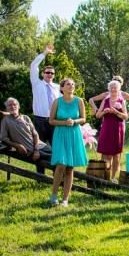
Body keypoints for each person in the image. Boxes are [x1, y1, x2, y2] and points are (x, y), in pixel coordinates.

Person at [48, 77, 88, 207]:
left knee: (70, 167)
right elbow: (51, 120)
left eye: (72, 84)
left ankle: (65, 199)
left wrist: (74, 121)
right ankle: (54, 196)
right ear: (62, 88)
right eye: (68, 84)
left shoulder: (79, 101)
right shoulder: (57, 102)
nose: (71, 86)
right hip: (60, 133)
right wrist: (64, 123)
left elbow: (83, 118)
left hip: (74, 134)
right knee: (60, 164)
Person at [95, 79, 129, 181]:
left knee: (116, 153)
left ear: (119, 90)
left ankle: (114, 177)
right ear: (109, 89)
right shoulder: (105, 101)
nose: (113, 89)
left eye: (115, 88)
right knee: (105, 152)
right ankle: (105, 176)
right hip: (106, 128)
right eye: (111, 88)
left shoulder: (121, 101)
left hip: (117, 128)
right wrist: (104, 112)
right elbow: (97, 115)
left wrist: (115, 112)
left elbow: (125, 116)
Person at [0, 97, 52, 172]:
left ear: (19, 106)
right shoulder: (6, 121)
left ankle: (61, 178)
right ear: (6, 108)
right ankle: (54, 180)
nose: (12, 107)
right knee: (56, 158)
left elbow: (35, 134)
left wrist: (36, 150)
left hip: (39, 146)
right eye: (9, 105)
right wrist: (18, 146)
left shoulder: (25, 118)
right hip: (29, 150)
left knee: (58, 154)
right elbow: (4, 139)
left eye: (14, 104)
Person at [30, 45, 61, 144]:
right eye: (47, 72)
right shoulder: (36, 83)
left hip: (54, 120)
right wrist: (45, 52)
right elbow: (34, 65)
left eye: (52, 73)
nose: (50, 75)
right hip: (40, 121)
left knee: (56, 146)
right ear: (43, 74)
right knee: (40, 146)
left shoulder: (57, 87)